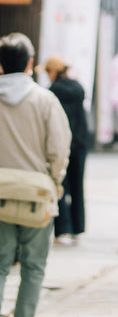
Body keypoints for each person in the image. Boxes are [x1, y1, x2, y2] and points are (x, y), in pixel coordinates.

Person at [0, 33, 71, 317]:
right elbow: (58, 148)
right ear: (30, 63)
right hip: (38, 195)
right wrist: (54, 182)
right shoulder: (45, 100)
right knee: (33, 266)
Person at [40, 56, 88, 244]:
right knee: (78, 187)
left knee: (60, 186)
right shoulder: (78, 89)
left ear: (53, 72)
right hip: (81, 144)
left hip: (62, 144)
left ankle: (63, 230)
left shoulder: (51, 93)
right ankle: (78, 227)